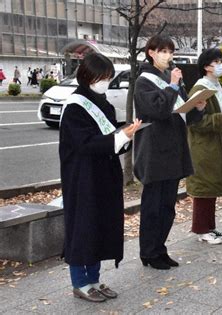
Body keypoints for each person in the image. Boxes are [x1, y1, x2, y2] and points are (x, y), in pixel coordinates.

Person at [59, 53, 142, 302]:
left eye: (107, 77)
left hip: (104, 175)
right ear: (86, 76)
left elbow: (111, 137)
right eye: (100, 77)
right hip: (82, 178)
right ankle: (80, 282)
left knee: (100, 226)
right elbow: (84, 144)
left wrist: (125, 136)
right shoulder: (75, 106)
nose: (104, 82)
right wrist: (119, 138)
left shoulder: (103, 103)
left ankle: (94, 280)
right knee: (82, 227)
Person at [134, 34, 206, 269]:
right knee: (153, 206)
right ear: (151, 53)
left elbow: (182, 112)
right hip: (155, 151)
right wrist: (173, 86)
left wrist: (198, 108)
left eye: (170, 51)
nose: (168, 56)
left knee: (167, 206)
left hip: (174, 150)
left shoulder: (171, 78)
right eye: (162, 51)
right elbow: (157, 110)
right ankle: (149, 252)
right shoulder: (144, 81)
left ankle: (160, 248)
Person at [187, 48, 222, 244]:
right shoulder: (201, 89)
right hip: (205, 146)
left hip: (219, 141)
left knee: (212, 187)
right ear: (206, 66)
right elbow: (195, 121)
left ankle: (210, 227)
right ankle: (201, 229)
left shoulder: (219, 87)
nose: (221, 65)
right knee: (204, 188)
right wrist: (220, 119)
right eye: (217, 61)